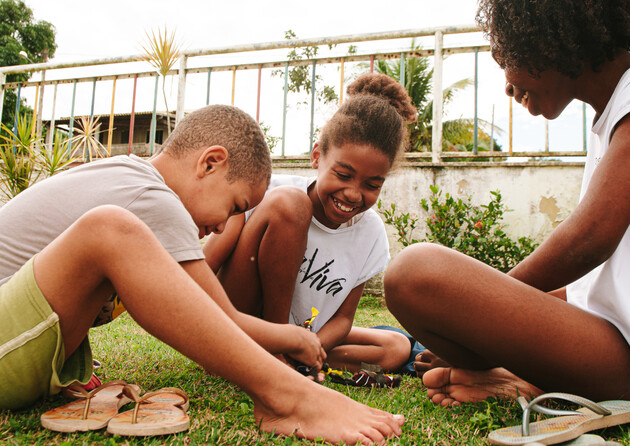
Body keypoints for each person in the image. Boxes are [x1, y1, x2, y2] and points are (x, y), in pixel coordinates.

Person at [0, 104, 404, 444]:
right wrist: (289, 337)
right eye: (234, 207)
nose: (223, 226)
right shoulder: (152, 198)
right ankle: (286, 395)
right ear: (210, 163)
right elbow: (217, 316)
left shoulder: (129, 179)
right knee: (108, 226)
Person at [384, 0, 630, 407]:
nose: (508, 85)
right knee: (428, 290)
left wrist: (493, 298)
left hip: (619, 357)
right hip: (602, 335)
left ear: (553, 40)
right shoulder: (610, 117)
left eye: (510, 59)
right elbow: (600, 281)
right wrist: (486, 315)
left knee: (414, 272)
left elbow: (590, 238)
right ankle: (531, 380)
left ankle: (533, 383)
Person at [204, 73, 418, 374]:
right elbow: (203, 266)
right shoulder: (267, 192)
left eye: (372, 184)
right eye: (343, 175)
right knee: (291, 203)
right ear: (317, 156)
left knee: (395, 349)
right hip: (239, 322)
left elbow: (343, 320)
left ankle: (293, 357)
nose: (353, 194)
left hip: (301, 331)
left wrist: (312, 344)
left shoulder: (370, 234)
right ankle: (277, 352)